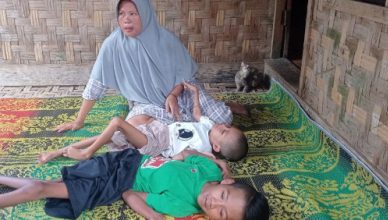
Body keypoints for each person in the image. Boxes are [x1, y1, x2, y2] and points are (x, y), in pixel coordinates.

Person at [54, 0, 245, 134]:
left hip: (182, 93)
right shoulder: (112, 45)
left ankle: (224, 106)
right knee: (135, 133)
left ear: (144, 15)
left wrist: (173, 95)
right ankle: (186, 121)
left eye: (133, 13)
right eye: (121, 14)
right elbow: (96, 85)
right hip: (146, 103)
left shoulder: (166, 40)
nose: (126, 19)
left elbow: (184, 77)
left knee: (222, 119)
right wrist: (79, 121)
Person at [1, 149, 270, 220]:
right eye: (224, 194)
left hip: (119, 180)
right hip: (125, 159)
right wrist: (215, 160)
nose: (214, 202)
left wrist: (152, 215)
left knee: (44, 187)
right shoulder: (209, 169)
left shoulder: (180, 206)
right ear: (228, 182)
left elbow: (130, 193)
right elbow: (188, 152)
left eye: (221, 212)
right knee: (46, 186)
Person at [39, 82, 248, 164]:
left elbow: (191, 158)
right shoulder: (207, 125)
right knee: (108, 136)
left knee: (116, 122)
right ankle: (59, 152)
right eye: (227, 126)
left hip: (157, 143)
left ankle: (86, 153)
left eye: (224, 131)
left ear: (217, 146)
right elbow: (196, 112)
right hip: (157, 128)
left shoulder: (206, 150)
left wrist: (165, 159)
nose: (223, 126)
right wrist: (193, 94)